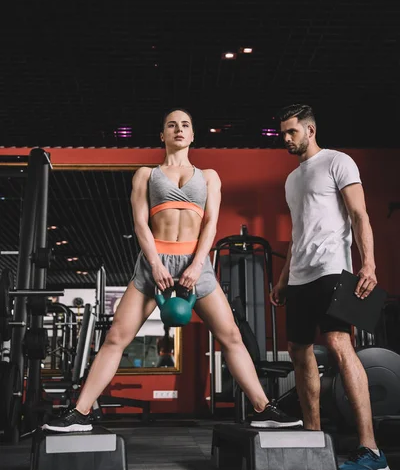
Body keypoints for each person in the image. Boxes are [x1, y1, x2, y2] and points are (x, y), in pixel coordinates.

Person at [42, 108, 302, 432]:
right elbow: (140, 223)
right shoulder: (145, 175)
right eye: (171, 125)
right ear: (162, 135)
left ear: (193, 135)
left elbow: (210, 224)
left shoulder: (209, 176)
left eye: (185, 125)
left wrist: (196, 265)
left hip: (197, 264)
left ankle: (263, 409)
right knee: (116, 338)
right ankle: (79, 413)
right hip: (155, 262)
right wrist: (155, 265)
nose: (178, 129)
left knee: (232, 336)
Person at [270, 103, 391, 470]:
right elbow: (297, 233)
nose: (286, 139)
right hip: (301, 276)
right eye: (283, 133)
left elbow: (359, 215)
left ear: (310, 129)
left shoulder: (339, 162)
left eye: (291, 132)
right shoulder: (292, 179)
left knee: (339, 344)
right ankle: (313, 436)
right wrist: (283, 277)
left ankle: (371, 449)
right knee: (298, 349)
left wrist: (367, 263)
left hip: (332, 270)